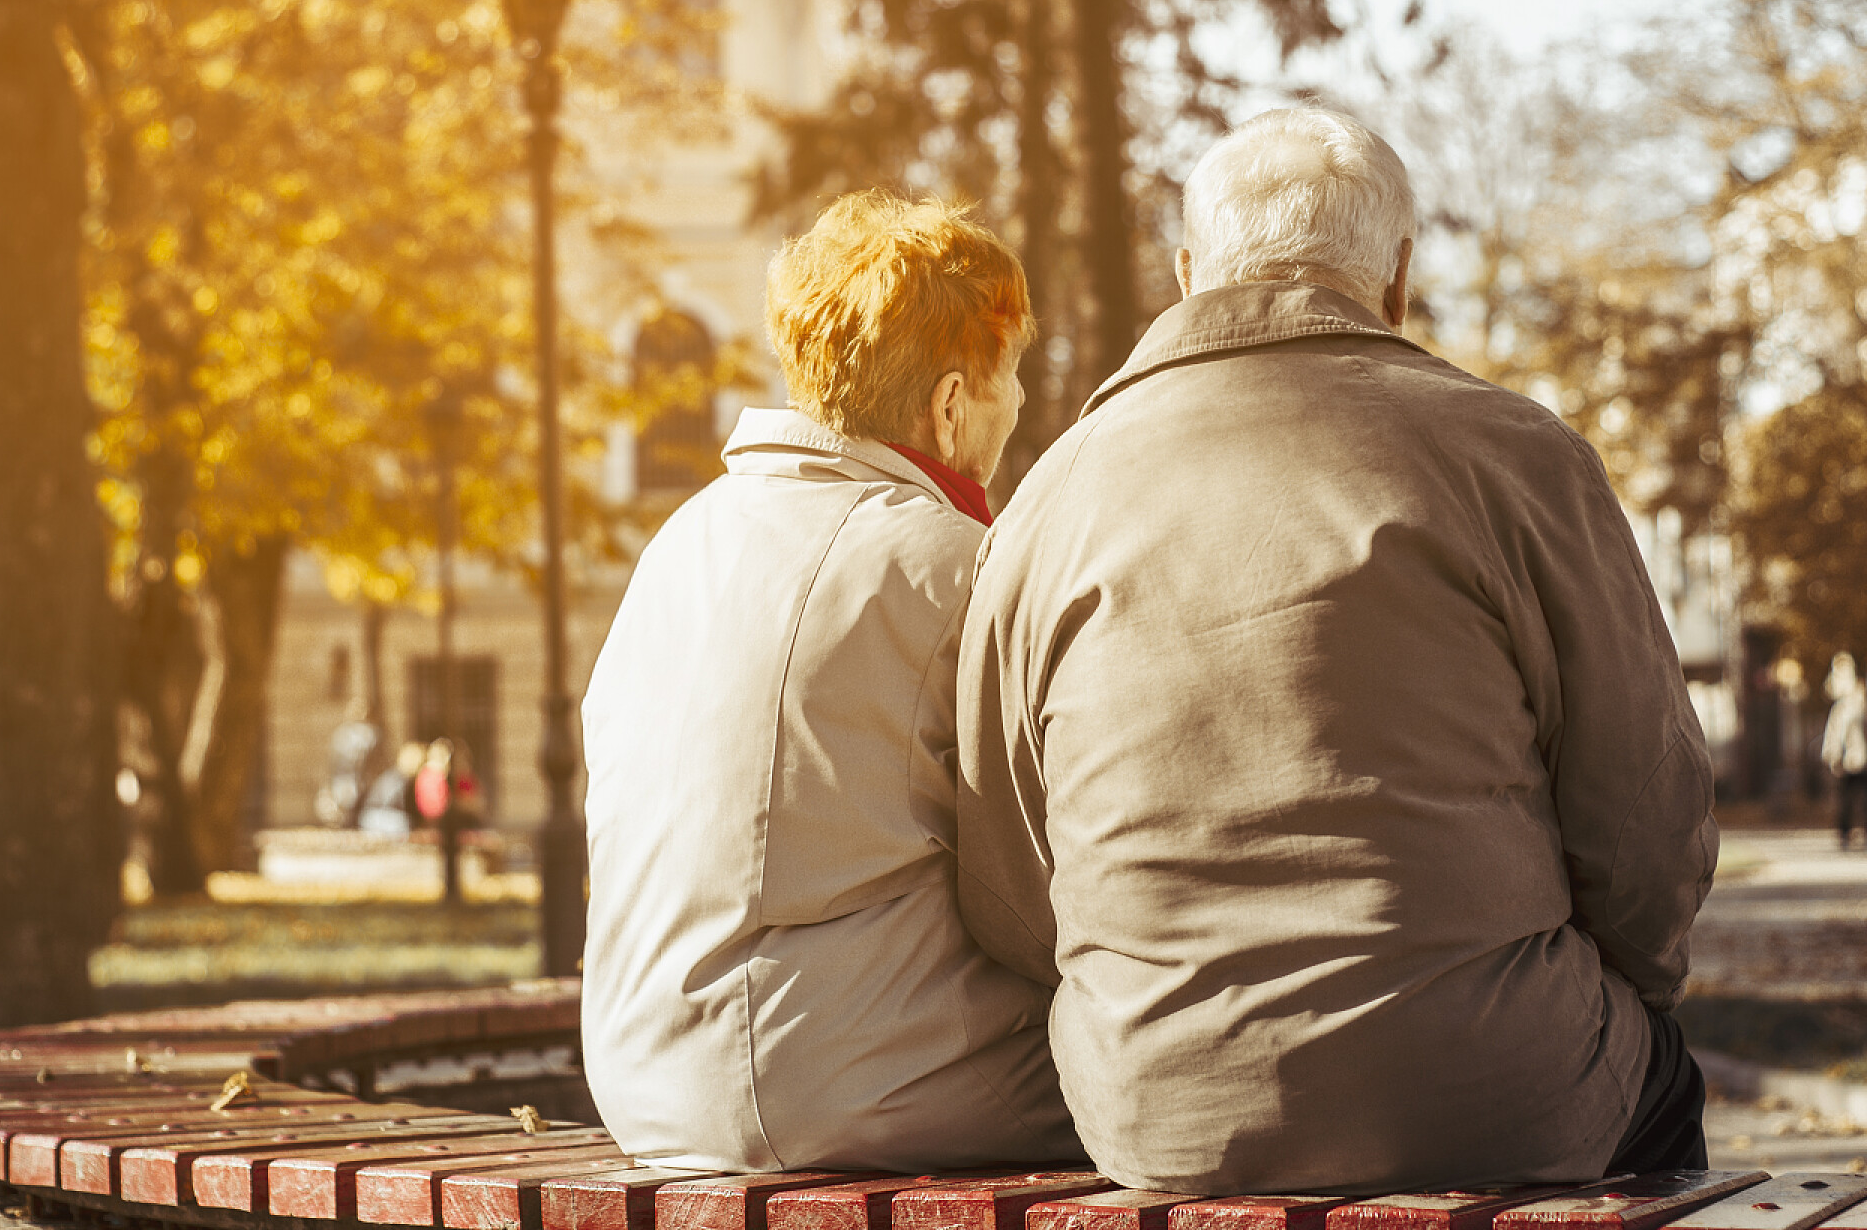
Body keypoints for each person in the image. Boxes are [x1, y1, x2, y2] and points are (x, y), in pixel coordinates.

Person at [955, 108, 1718, 1195]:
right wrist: (1621, 984)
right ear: (1397, 280)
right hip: (1504, 1084)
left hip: (1163, 1113)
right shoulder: (1522, 457)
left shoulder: (1047, 501)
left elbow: (1009, 881)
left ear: (1187, 275)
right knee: (1663, 1081)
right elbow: (1646, 820)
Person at [578, 191, 1081, 1173]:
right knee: (1171, 1066)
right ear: (949, 403)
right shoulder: (961, 563)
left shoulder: (678, 541)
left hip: (641, 1085)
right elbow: (1038, 899)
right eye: (1007, 376)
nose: (1017, 404)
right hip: (851, 1092)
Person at [1822, 653, 1867, 849]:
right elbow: (1835, 733)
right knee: (1847, 799)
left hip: (1858, 757)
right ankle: (1845, 835)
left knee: (1858, 798)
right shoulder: (1841, 707)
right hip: (1849, 759)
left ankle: (1851, 834)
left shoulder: (1858, 702)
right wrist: (1833, 754)